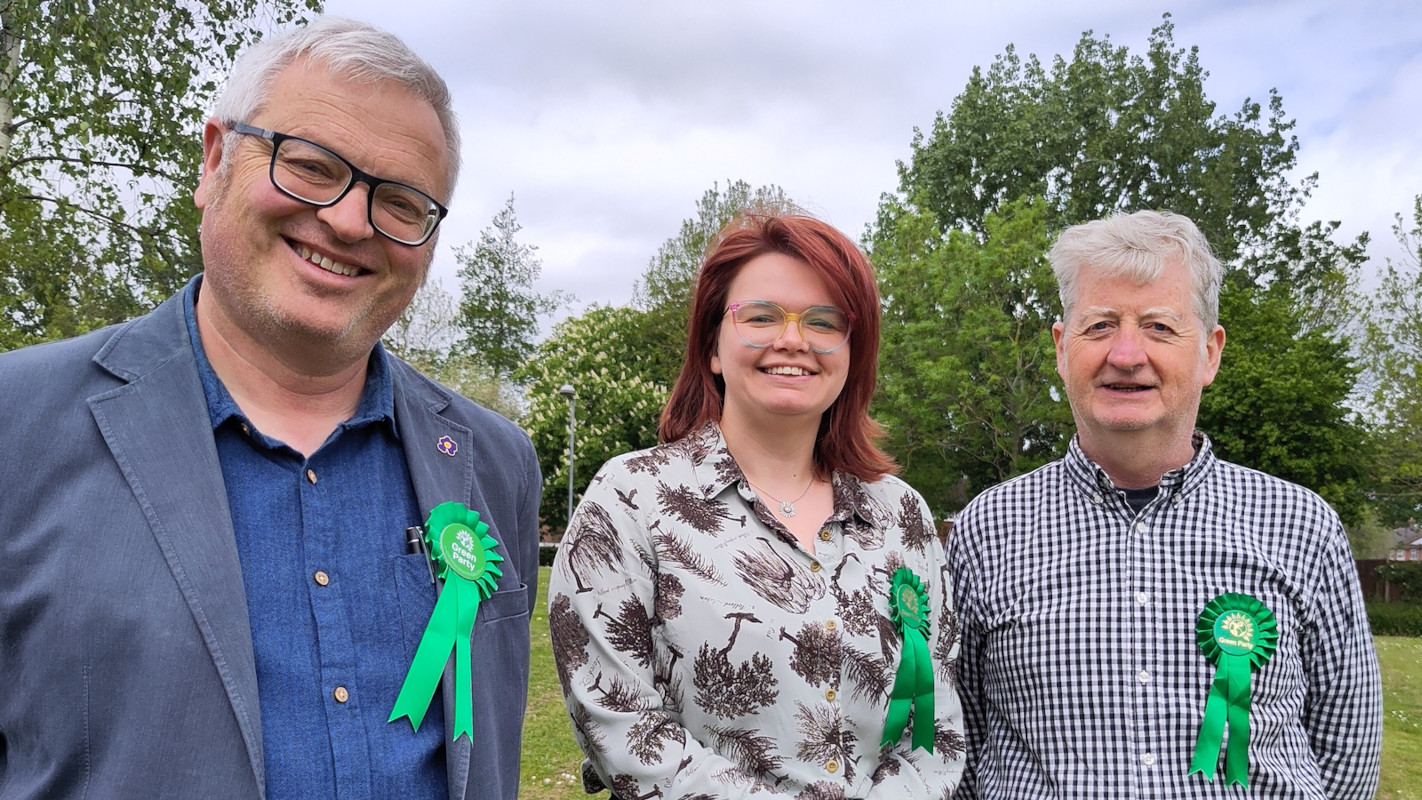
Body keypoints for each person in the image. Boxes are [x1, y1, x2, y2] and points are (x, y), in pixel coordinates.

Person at [0, 16, 541, 800]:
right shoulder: (17, 427)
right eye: (312, 166)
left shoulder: (496, 461)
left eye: (401, 203)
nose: (350, 221)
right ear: (215, 159)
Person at [947, 209, 1383, 798]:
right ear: (1060, 347)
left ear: (1210, 353)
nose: (1126, 354)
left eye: (1159, 326)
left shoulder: (1303, 526)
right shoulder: (985, 529)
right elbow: (961, 746)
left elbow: (1346, 752)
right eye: (1100, 326)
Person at [548, 212, 965, 799]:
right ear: (712, 348)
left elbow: (935, 729)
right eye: (762, 317)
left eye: (824, 322)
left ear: (852, 355)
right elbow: (622, 725)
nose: (792, 340)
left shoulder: (903, 516)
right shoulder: (628, 501)